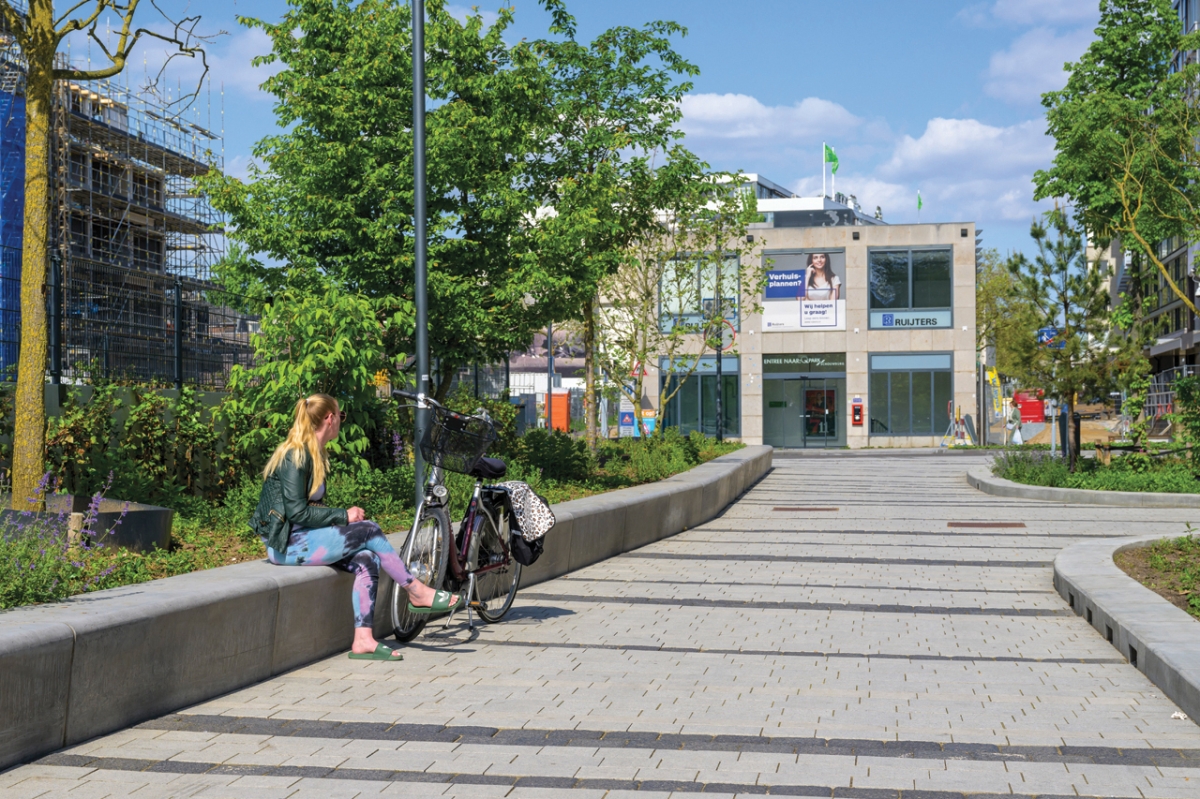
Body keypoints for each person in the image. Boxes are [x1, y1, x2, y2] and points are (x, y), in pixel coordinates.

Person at [251, 394, 458, 661]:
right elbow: (296, 512)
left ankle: (363, 640)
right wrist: (343, 515)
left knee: (367, 559)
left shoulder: (313, 453)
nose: (340, 421)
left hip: (305, 539)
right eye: (341, 416)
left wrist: (341, 518)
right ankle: (415, 590)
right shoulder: (296, 455)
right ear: (329, 418)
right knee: (369, 529)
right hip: (287, 545)